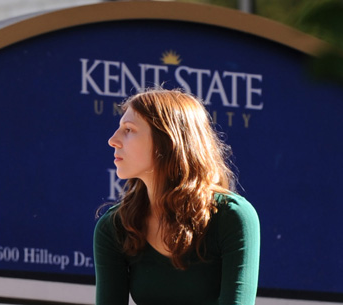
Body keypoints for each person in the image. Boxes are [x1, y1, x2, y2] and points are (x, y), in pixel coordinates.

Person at [94, 88, 261, 305]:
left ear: (168, 140)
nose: (112, 140)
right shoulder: (114, 226)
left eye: (128, 129)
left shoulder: (232, 216)